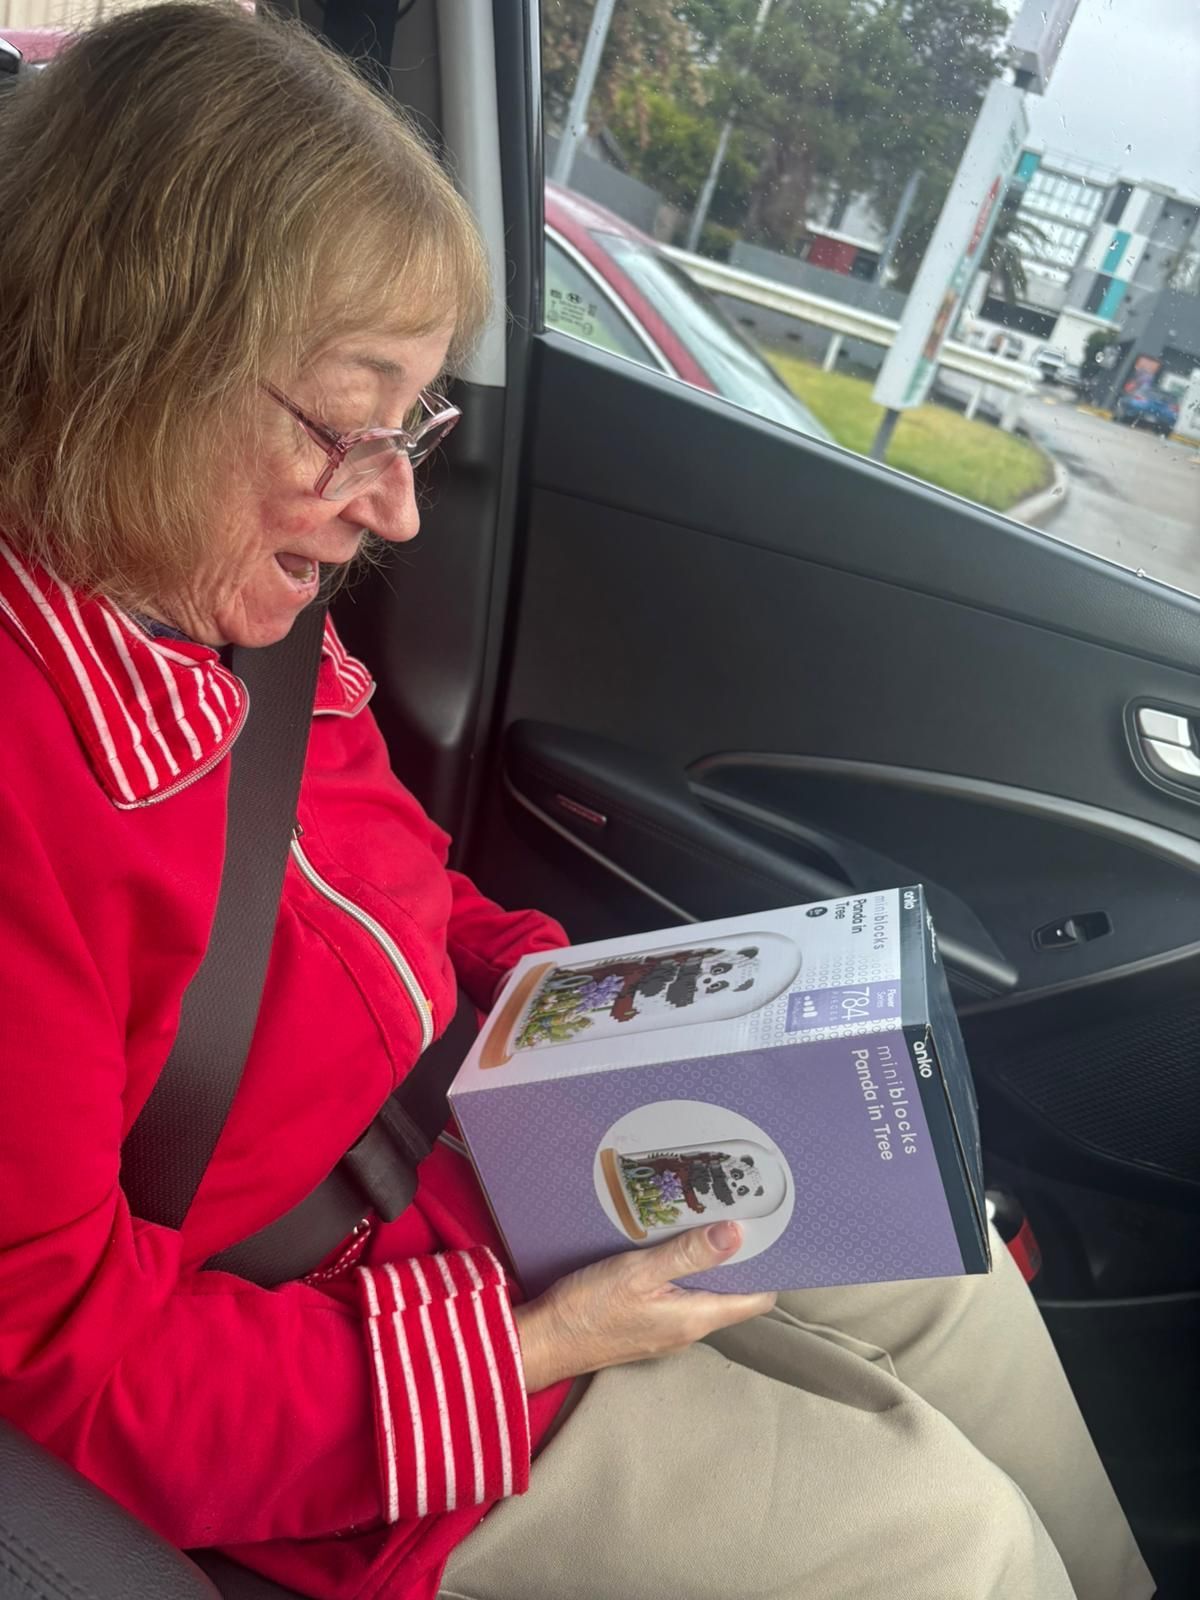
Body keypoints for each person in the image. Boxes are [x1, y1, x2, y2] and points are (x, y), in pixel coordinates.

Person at [0, 7, 1153, 1600]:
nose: (398, 499)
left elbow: (386, 890)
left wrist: (610, 1009)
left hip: (475, 1164)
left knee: (938, 1263)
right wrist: (535, 1342)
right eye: (355, 422)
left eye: (418, 422)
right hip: (327, 1366)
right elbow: (73, 1365)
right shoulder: (26, 772)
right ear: (136, 357)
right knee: (940, 1540)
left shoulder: (214, 613)